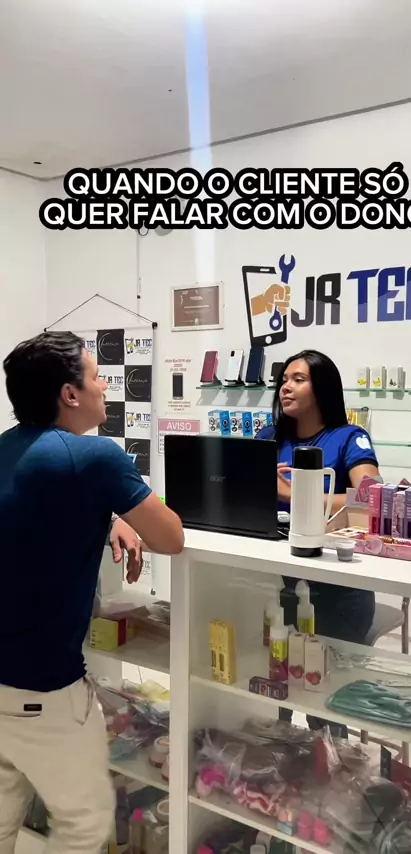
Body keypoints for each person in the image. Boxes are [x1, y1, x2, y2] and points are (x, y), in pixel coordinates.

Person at [0, 331, 184, 854]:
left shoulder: (7, 449)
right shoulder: (96, 458)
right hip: (44, 691)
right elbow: (170, 537)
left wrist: (110, 517)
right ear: (70, 394)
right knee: (85, 825)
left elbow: (33, 520)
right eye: (97, 376)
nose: (105, 387)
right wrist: (118, 509)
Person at [256, 349, 380, 731]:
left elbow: (371, 497)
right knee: (268, 691)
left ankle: (330, 756)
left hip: (335, 592)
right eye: (283, 380)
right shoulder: (267, 438)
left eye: (298, 379)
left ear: (322, 388)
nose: (285, 388)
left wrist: (296, 492)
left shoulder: (348, 438)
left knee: (321, 702)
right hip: (271, 583)